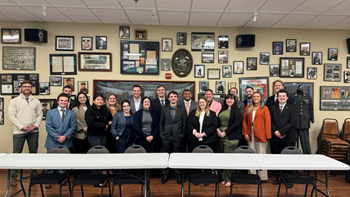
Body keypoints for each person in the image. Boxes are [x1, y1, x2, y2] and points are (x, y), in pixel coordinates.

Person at [8, 80, 43, 186]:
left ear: (31, 88)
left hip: (33, 131)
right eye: (25, 86)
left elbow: (40, 115)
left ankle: (33, 174)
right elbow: (11, 116)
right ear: (21, 88)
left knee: (33, 152)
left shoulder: (36, 101)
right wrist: (22, 127)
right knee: (16, 153)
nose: (27, 88)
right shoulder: (14, 101)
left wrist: (35, 126)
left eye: (29, 86)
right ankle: (14, 176)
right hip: (19, 131)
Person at [269, 89, 297, 185]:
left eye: (283, 96)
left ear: (287, 97)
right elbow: (270, 121)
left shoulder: (292, 108)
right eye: (279, 96)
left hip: (288, 137)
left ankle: (289, 179)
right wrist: (276, 131)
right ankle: (279, 177)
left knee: (288, 159)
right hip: (276, 137)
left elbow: (292, 122)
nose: (281, 97)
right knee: (277, 158)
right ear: (277, 97)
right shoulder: (272, 108)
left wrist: (281, 132)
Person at [242, 92, 271, 181]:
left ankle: (262, 176)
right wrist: (245, 133)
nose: (256, 98)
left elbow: (268, 122)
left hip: (261, 133)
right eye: (254, 96)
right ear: (252, 98)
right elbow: (244, 121)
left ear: (261, 98)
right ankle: (252, 175)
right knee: (251, 154)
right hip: (250, 133)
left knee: (261, 154)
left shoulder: (265, 108)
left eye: (258, 96)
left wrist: (268, 135)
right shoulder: (248, 108)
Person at [159, 91, 187, 184]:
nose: (173, 98)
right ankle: (165, 175)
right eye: (171, 96)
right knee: (165, 156)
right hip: (166, 136)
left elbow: (184, 123)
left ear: (177, 98)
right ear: (168, 98)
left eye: (175, 96)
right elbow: (161, 123)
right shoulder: (164, 109)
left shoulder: (182, 109)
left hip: (178, 136)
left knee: (177, 156)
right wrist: (162, 134)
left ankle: (178, 176)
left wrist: (182, 134)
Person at [217, 94, 242, 187]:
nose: (229, 100)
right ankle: (224, 177)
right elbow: (218, 121)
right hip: (220, 136)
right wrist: (218, 130)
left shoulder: (236, 111)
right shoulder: (223, 109)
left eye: (231, 99)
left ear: (234, 100)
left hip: (231, 137)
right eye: (227, 99)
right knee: (223, 158)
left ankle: (229, 179)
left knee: (229, 158)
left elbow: (236, 124)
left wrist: (225, 132)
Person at [150, 85, 169, 153]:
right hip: (156, 129)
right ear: (157, 92)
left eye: (162, 90)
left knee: (166, 148)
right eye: (159, 90)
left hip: (168, 129)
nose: (161, 91)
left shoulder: (169, 102)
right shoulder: (152, 102)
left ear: (165, 91)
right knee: (156, 148)